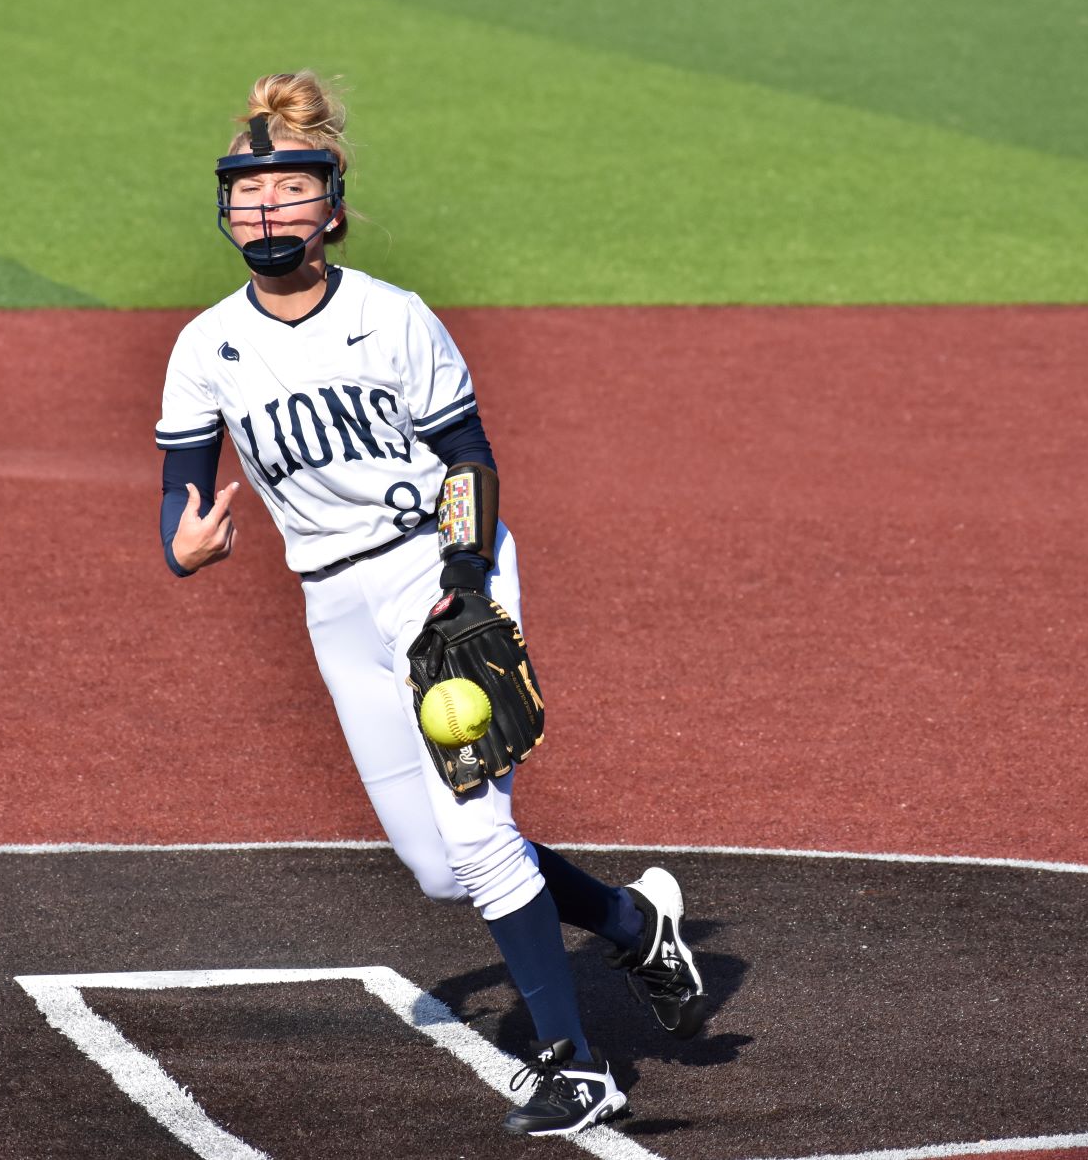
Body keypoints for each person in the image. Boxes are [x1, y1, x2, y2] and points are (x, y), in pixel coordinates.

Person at [154, 71, 708, 1138]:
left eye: (290, 194)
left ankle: (577, 1065)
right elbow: (177, 504)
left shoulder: (392, 319)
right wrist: (185, 548)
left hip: (435, 572)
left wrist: (462, 587)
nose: (268, 214)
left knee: (480, 828)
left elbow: (468, 455)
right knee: (440, 867)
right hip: (332, 602)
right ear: (226, 210)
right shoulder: (203, 348)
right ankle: (633, 926)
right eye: (250, 197)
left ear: (332, 206)